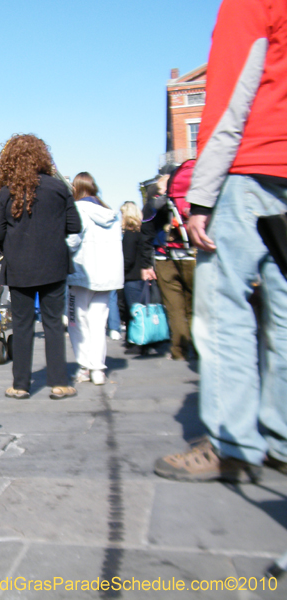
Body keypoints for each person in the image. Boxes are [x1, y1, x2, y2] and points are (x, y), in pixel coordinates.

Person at [155, 0, 287, 483]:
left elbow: (234, 90)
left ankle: (233, 442)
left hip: (255, 166)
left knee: (224, 308)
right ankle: (281, 437)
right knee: (283, 311)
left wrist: (202, 194)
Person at [0, 134, 82, 400]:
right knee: (52, 323)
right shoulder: (59, 188)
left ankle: (21, 385)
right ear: (42, 156)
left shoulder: (5, 194)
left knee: (22, 325)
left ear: (8, 161)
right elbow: (75, 226)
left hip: (19, 267)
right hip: (53, 265)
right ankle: (60, 383)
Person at [66, 172, 123, 386]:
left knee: (76, 320)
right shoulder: (111, 213)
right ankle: (98, 368)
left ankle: (84, 366)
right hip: (107, 274)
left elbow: (72, 240)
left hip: (82, 273)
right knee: (99, 322)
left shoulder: (78, 210)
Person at [141, 163, 195, 360]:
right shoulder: (192, 195)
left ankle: (180, 351)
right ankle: (199, 348)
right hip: (193, 254)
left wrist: (146, 265)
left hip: (165, 257)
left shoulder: (155, 204)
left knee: (174, 307)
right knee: (194, 306)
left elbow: (146, 235)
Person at [120, 201, 154, 355]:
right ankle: (144, 341)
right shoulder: (141, 232)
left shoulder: (129, 234)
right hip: (141, 275)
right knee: (141, 310)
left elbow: (128, 259)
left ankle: (137, 342)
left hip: (131, 277)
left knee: (133, 311)